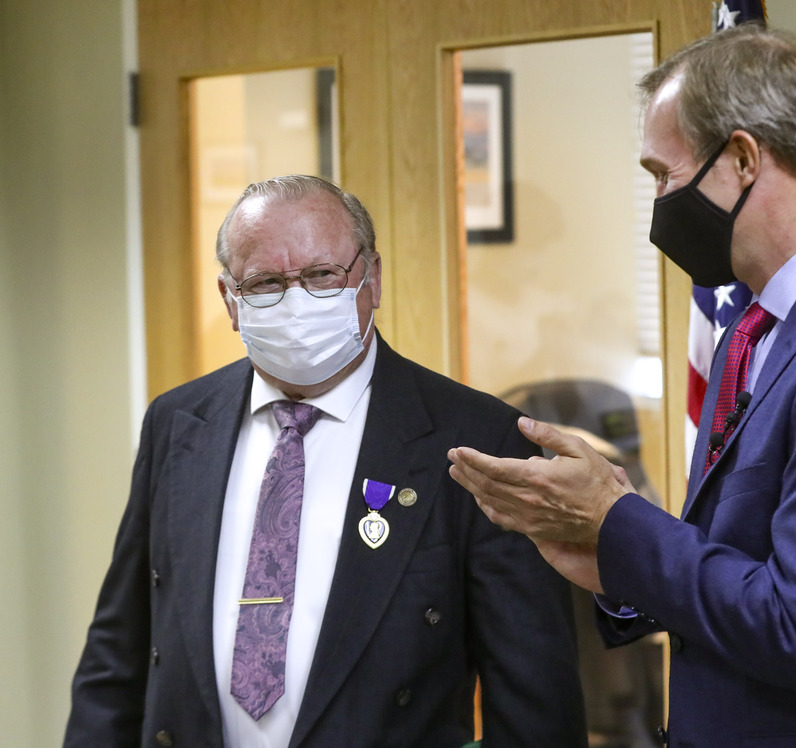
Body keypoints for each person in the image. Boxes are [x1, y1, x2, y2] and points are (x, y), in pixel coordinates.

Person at [448, 24, 796, 747]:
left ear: (740, 158)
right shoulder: (756, 325)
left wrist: (619, 522)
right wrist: (609, 557)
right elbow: (737, 563)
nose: (661, 203)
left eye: (662, 174)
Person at [64, 175, 587, 748]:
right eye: (264, 283)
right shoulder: (177, 423)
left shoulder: (477, 439)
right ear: (229, 300)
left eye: (321, 275)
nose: (296, 301)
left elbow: (535, 703)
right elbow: (118, 655)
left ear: (373, 278)